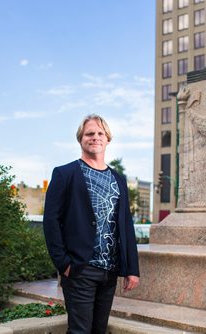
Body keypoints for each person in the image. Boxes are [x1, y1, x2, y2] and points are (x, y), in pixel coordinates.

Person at [43, 114, 140, 334]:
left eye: (99, 133)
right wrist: (64, 264)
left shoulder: (118, 179)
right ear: (80, 139)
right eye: (89, 134)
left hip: (110, 272)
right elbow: (51, 221)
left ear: (107, 139)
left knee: (99, 330)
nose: (95, 137)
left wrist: (132, 269)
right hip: (80, 269)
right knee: (79, 331)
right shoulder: (65, 173)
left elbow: (126, 226)